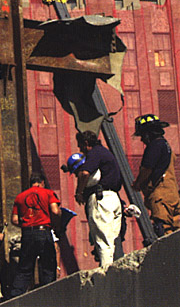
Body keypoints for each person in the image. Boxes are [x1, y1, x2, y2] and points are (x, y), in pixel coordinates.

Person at [75, 131, 122, 267]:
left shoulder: (94, 153)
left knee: (103, 240)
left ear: (86, 143)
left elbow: (85, 173)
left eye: (80, 146)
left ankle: (106, 274)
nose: (80, 150)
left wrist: (79, 192)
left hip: (101, 199)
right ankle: (112, 269)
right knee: (111, 240)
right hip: (114, 198)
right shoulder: (106, 152)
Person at [10, 173, 61, 297]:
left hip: (27, 234)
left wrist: (27, 224)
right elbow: (55, 210)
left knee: (25, 269)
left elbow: (14, 220)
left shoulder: (20, 197)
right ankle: (48, 298)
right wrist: (57, 220)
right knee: (48, 267)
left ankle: (14, 297)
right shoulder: (48, 193)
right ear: (42, 182)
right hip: (44, 232)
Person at [132, 114, 180, 237]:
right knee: (176, 229)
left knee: (163, 230)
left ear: (148, 133)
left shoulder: (154, 146)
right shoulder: (165, 145)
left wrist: (137, 184)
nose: (142, 139)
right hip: (172, 194)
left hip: (161, 194)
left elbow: (147, 169)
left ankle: (169, 256)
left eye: (142, 135)